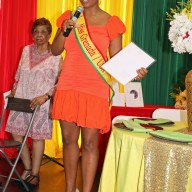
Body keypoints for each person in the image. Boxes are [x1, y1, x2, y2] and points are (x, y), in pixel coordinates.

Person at [51, 0, 148, 191]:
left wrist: (134, 71)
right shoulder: (69, 17)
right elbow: (55, 50)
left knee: (89, 143)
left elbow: (117, 58)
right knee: (69, 140)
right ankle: (69, 189)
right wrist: (64, 30)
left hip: (95, 88)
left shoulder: (111, 22)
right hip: (68, 84)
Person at [5, 18, 62, 191]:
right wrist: (14, 89)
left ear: (50, 34)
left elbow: (60, 82)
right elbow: (19, 74)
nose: (39, 35)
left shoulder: (57, 54)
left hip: (41, 102)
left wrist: (46, 96)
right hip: (21, 99)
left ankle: (35, 174)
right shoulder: (26, 50)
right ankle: (28, 168)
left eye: (43, 32)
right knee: (16, 134)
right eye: (36, 32)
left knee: (37, 137)